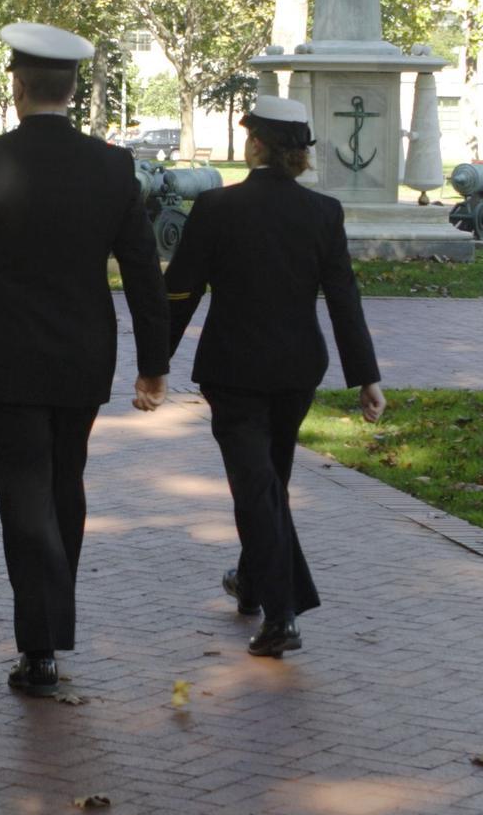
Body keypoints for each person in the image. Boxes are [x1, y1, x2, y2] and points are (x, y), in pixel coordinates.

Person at [0, 22, 172, 698]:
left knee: (24, 496)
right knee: (66, 484)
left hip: (8, 353)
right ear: (72, 87)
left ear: (19, 84)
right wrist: (155, 362)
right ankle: (50, 629)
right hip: (84, 351)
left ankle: (40, 644)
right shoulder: (113, 167)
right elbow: (143, 271)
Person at [162, 94, 387, 659]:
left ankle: (282, 614)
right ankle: (252, 582)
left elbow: (182, 290)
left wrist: (153, 360)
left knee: (256, 490)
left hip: (233, 370)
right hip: (296, 372)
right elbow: (343, 298)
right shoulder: (323, 213)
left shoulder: (215, 207)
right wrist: (366, 376)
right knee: (269, 484)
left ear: (256, 144)